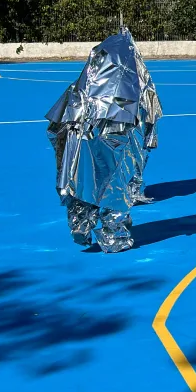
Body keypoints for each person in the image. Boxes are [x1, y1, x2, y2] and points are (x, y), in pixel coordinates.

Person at [46, 27, 162, 251]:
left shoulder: (81, 89)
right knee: (114, 185)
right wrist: (148, 137)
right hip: (113, 142)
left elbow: (55, 128)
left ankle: (81, 223)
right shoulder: (129, 90)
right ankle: (114, 233)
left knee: (81, 182)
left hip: (82, 143)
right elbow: (149, 114)